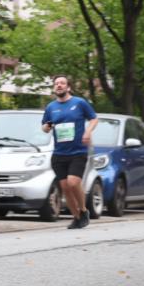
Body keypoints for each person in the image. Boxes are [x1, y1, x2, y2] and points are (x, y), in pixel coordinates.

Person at [41, 75, 98, 229]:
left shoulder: (79, 103)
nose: (59, 85)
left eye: (62, 83)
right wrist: (47, 127)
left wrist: (88, 132)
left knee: (73, 183)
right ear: (54, 87)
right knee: (65, 187)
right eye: (56, 83)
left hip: (78, 151)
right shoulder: (51, 107)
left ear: (68, 87)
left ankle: (84, 210)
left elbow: (94, 118)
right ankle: (77, 217)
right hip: (59, 153)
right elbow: (45, 127)